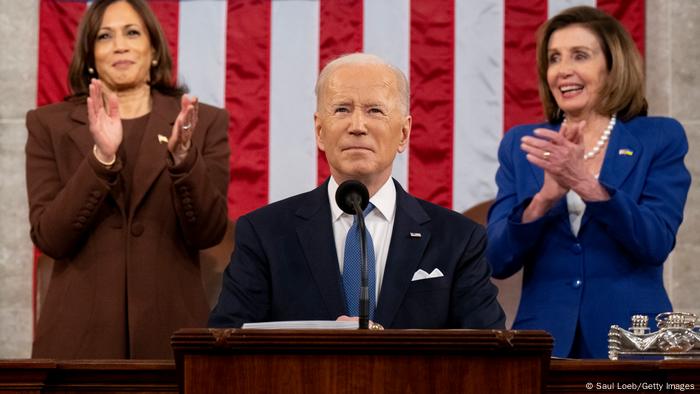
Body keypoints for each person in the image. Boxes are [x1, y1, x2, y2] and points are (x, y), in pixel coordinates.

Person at [209, 53, 505, 329]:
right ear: (320, 131)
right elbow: (227, 345)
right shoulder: (264, 234)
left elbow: (489, 352)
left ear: (403, 133)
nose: (357, 126)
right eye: (342, 109)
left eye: (374, 110)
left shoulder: (458, 239)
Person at [25, 0, 229, 359]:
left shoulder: (201, 122)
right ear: (90, 56)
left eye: (132, 32)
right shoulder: (48, 125)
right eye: (105, 36)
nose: (120, 44)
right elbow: (50, 238)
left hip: (172, 341)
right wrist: (101, 159)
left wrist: (183, 160)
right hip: (77, 345)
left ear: (153, 50)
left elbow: (208, 232)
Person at [487, 6, 690, 358]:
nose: (563, 70)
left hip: (632, 342)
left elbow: (655, 241)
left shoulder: (659, 137)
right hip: (545, 345)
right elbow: (497, 259)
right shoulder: (523, 146)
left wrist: (586, 184)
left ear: (612, 67)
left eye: (579, 55)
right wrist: (544, 200)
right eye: (554, 58)